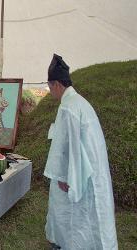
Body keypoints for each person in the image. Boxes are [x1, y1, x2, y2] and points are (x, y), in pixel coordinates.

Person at [44, 54, 118, 249]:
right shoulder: (81, 103)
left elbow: (68, 147)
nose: (51, 92)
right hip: (92, 169)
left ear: (57, 84)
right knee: (93, 217)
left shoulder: (68, 108)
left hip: (78, 171)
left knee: (73, 216)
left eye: (50, 87)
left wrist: (63, 176)